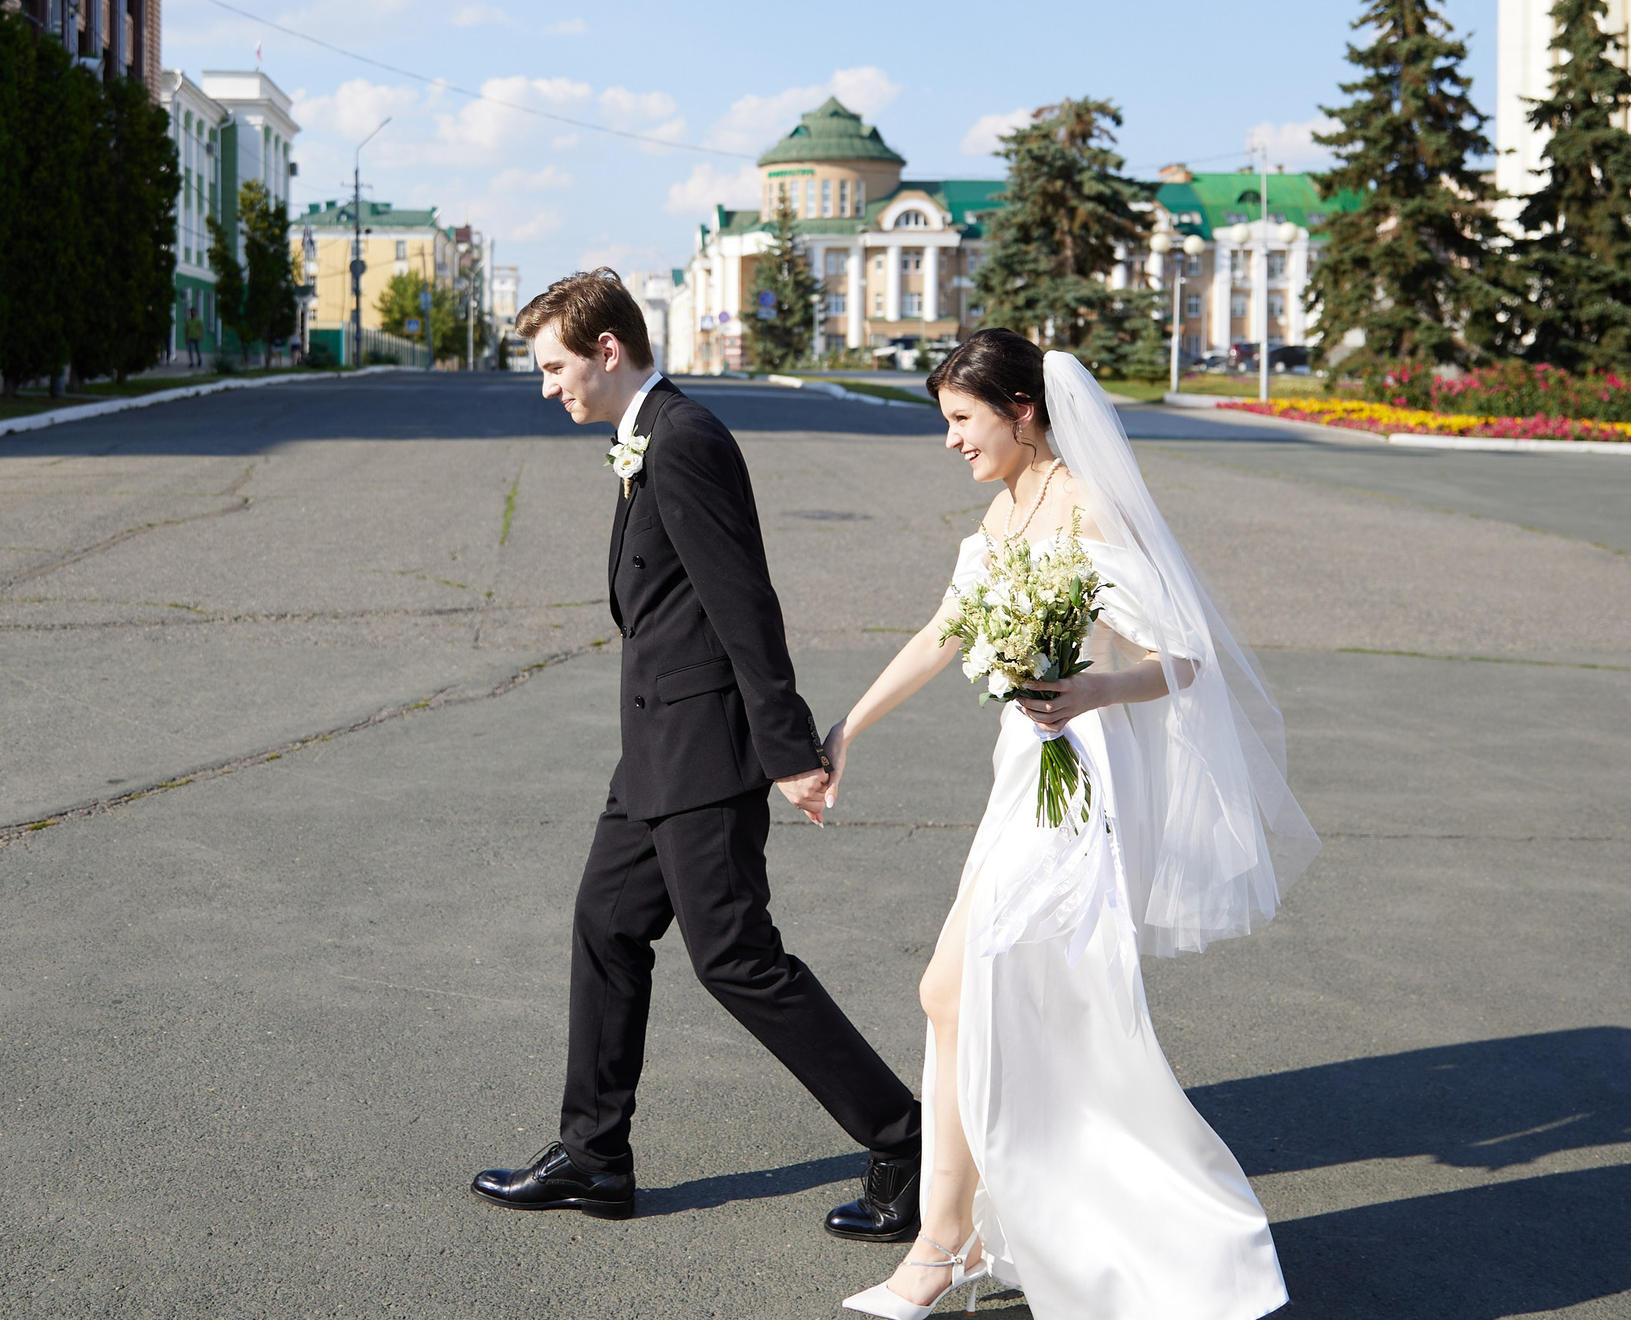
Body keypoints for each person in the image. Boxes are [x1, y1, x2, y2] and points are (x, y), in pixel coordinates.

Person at [824, 329, 1319, 1319]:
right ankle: (973, 1235)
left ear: (1022, 411)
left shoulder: (1089, 504)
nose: (950, 440)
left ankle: (943, 1245)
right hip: (1021, 776)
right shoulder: (1005, 506)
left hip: (1081, 788)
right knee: (978, 1001)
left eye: (962, 419)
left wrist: (1092, 688)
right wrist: (845, 730)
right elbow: (944, 629)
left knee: (958, 991)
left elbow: (1182, 658)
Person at [470, 269, 924, 1240]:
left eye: (552, 367)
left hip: (704, 750)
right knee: (606, 923)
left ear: (605, 350)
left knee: (736, 958)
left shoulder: (684, 440)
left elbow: (742, 600)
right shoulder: (652, 437)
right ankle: (595, 1154)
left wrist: (788, 749)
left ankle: (907, 1139)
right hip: (654, 750)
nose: (545, 386)